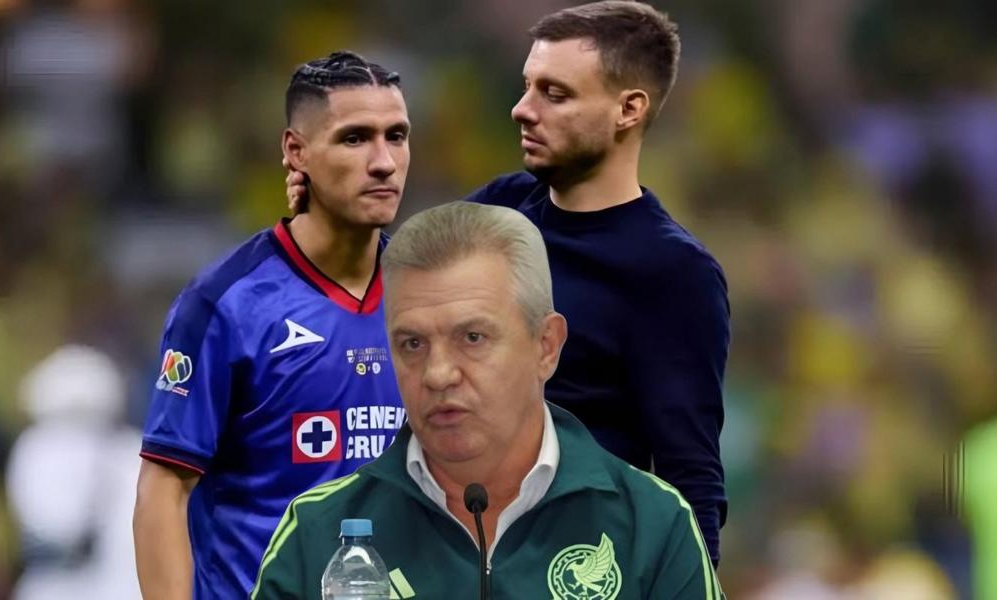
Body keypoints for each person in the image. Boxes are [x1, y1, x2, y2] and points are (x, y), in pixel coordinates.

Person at [284, 0, 730, 564]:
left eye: (555, 94)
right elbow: (384, 290)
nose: (523, 109)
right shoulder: (502, 207)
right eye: (527, 87)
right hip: (441, 546)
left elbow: (691, 475)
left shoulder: (672, 273)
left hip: (571, 562)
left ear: (629, 110)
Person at [253, 202, 722, 599]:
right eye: (412, 344)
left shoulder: (652, 526)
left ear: (546, 346)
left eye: (472, 337)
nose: (438, 374)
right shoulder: (317, 533)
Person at [133, 51, 412, 599]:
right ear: (296, 151)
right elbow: (164, 489)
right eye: (355, 138)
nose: (383, 161)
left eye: (397, 136)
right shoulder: (225, 304)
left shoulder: (430, 296)